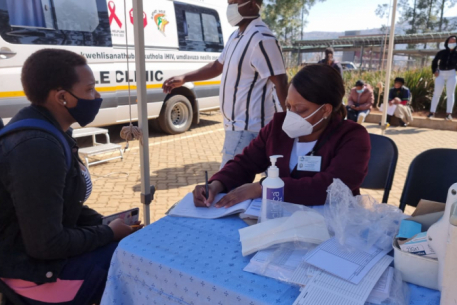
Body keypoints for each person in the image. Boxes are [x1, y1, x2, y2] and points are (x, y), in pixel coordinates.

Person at [0, 49, 141, 305]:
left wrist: (105, 222)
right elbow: (46, 244)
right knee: (133, 264)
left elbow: (62, 204)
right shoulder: (38, 147)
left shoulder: (51, 130)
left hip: (41, 259)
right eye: (89, 90)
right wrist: (107, 234)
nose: (96, 96)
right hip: (32, 276)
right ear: (62, 97)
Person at [192, 64, 371, 208]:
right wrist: (216, 184)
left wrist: (263, 189)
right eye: (288, 107)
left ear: (325, 109)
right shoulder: (278, 128)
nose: (291, 115)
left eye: (300, 109)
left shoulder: (352, 136)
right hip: (278, 221)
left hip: (332, 227)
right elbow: (245, 163)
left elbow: (332, 188)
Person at [163, 0, 288, 169]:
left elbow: (280, 81)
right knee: (261, 181)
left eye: (235, 2)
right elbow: (217, 66)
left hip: (250, 127)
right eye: (229, 2)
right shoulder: (235, 36)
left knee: (225, 185)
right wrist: (185, 77)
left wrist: (288, 122)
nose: (230, 7)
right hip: (235, 127)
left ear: (252, 5)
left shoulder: (261, 39)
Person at [428, 35, 457, 121]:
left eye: (454, 41)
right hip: (440, 74)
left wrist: (456, 68)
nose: (452, 43)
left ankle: (449, 114)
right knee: (437, 93)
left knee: (450, 94)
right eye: (450, 41)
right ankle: (432, 112)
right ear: (447, 42)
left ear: (456, 43)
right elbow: (434, 62)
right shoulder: (441, 52)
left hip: (452, 74)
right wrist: (435, 71)